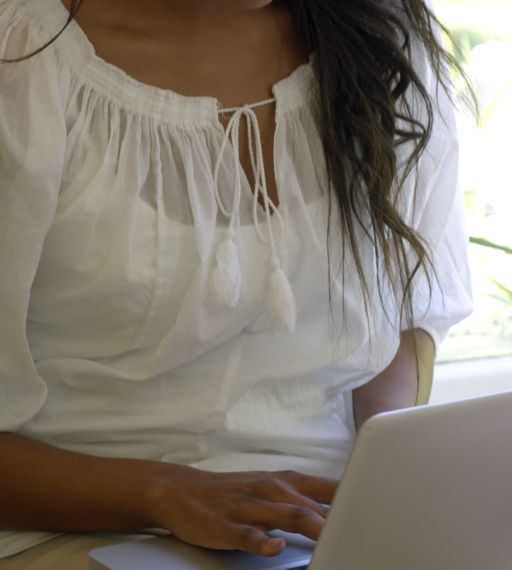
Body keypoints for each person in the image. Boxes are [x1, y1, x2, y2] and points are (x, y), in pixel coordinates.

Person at [0, 0, 473, 566]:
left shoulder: (380, 35)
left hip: (315, 526)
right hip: (70, 528)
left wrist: (387, 483)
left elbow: (407, 318)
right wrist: (161, 492)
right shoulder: (23, 50)